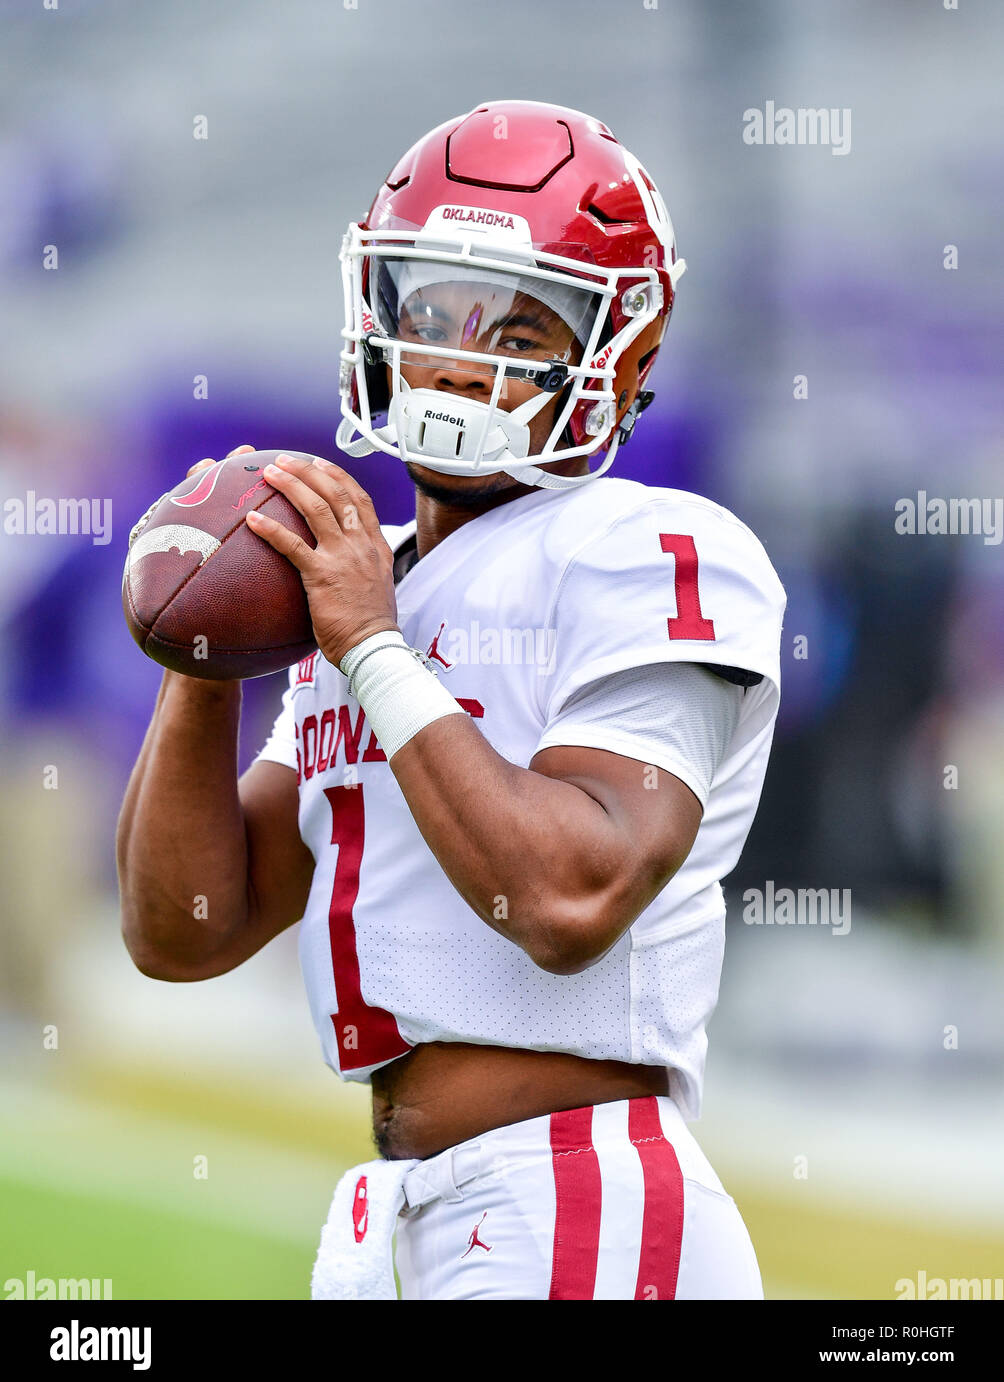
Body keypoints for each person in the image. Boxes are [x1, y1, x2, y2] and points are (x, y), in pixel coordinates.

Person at [118, 99, 785, 1300]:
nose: (458, 354)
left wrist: (372, 644)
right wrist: (200, 649)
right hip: (398, 1208)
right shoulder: (361, 580)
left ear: (619, 350)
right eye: (430, 309)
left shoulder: (650, 548)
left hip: (568, 1188)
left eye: (520, 323)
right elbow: (187, 928)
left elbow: (568, 895)